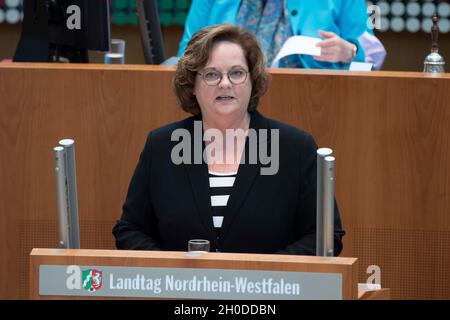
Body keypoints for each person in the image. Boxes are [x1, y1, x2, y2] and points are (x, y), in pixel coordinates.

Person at [113, 24, 345, 255]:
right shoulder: (162, 146)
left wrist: (262, 276)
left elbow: (326, 237)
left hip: (270, 290)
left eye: (236, 73)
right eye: (212, 74)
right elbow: (130, 230)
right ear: (192, 84)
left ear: (252, 80)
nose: (225, 83)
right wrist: (173, 273)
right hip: (181, 290)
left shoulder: (295, 148)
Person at [177, 0, 386, 69]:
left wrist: (349, 51)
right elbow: (185, 58)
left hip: (312, 104)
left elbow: (370, 57)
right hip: (225, 108)